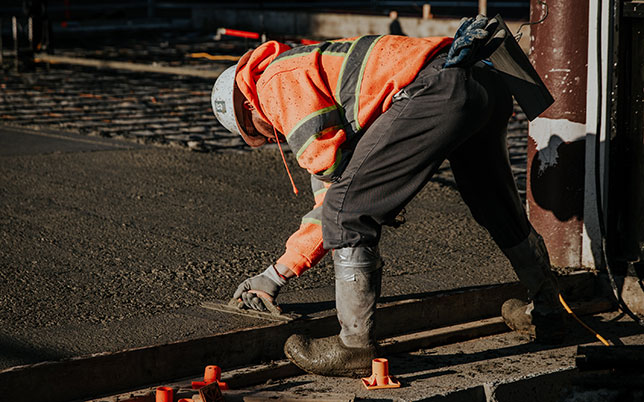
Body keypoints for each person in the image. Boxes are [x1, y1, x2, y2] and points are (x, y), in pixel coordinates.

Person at [211, 15, 566, 378]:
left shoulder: (276, 85)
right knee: (496, 205)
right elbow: (339, 181)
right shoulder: (308, 67)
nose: (272, 138)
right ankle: (547, 308)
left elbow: (336, 199)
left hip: (437, 88)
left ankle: (354, 346)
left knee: (347, 212)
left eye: (259, 133)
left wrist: (274, 275)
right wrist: (279, 273)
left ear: (248, 108)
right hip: (483, 81)